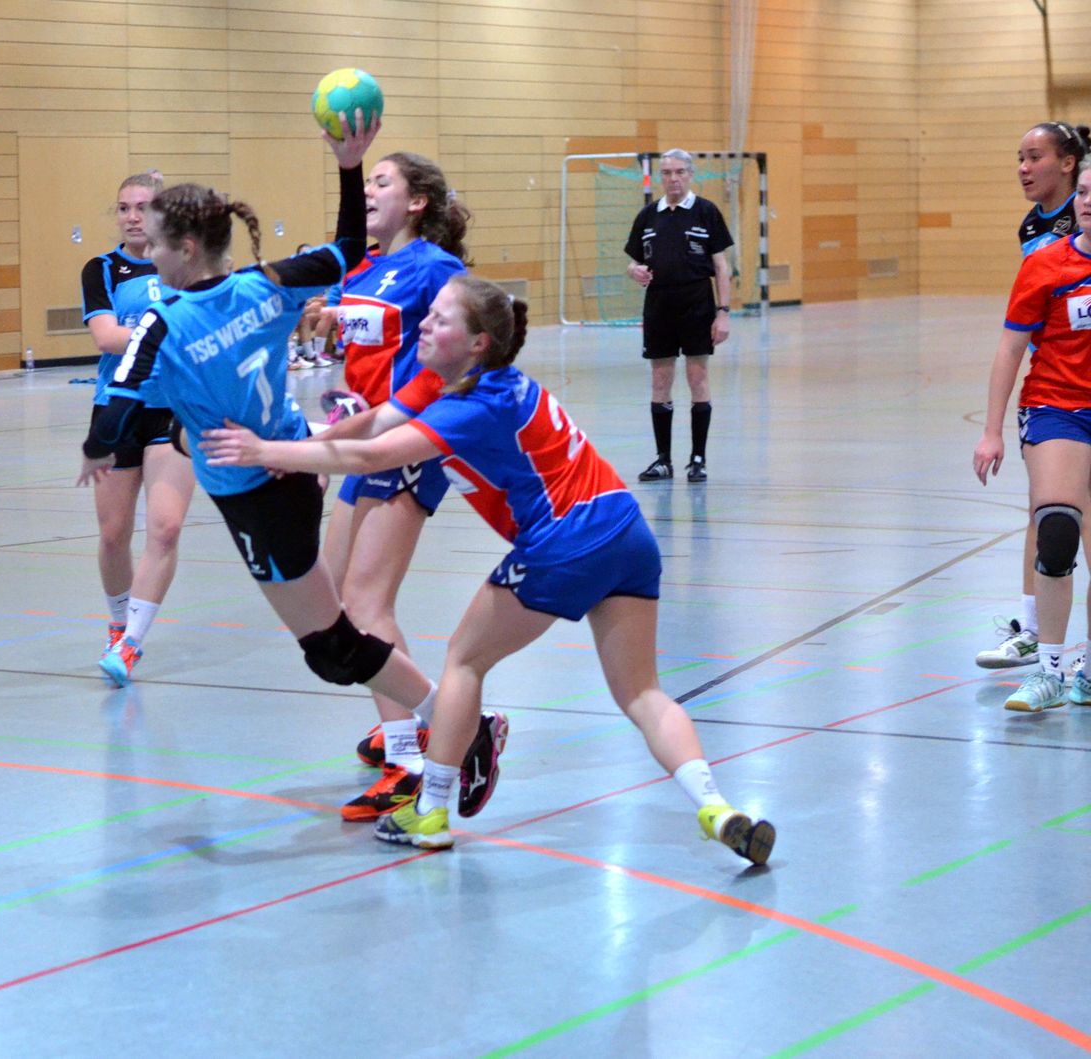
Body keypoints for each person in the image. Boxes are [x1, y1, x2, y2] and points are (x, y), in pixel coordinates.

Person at [202, 274, 775, 861]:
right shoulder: (452, 381)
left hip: (565, 541)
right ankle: (717, 808)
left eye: (441, 319)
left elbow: (371, 456)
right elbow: (372, 424)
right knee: (642, 692)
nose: (426, 325)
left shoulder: (473, 407)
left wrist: (263, 452)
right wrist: (299, 444)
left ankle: (430, 811)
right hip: (626, 532)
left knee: (464, 660)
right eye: (429, 315)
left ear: (477, 343)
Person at [81, 115, 502, 816]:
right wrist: (346, 172)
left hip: (307, 470)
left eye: (153, 243)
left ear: (186, 247)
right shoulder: (279, 283)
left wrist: (100, 446)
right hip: (313, 457)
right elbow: (342, 258)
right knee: (342, 618)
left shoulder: (169, 320)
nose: (144, 254)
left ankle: (449, 732)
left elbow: (117, 403)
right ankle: (416, 731)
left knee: (342, 635)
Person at [324, 149, 472, 823]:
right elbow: (357, 340)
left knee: (366, 602)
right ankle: (409, 719)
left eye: (382, 181)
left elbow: (469, 345)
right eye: (368, 182)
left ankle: (414, 758)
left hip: (404, 442)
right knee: (335, 596)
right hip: (363, 442)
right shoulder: (363, 267)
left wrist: (421, 415)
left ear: (416, 201)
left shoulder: (433, 267)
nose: (369, 190)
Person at [975, 160, 1091, 713]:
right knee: (1058, 529)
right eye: (1084, 192)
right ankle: (1048, 670)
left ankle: (1088, 670)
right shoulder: (1046, 264)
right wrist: (991, 431)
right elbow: (1009, 349)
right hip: (1057, 407)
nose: (1088, 202)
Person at [80, 170, 195, 686]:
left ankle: (131, 642)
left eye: (143, 207)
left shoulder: (185, 263)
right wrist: (167, 333)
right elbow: (106, 338)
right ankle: (116, 621)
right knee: (113, 536)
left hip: (174, 408)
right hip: (118, 406)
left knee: (166, 527)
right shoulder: (102, 269)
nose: (132, 217)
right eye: (124, 208)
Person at [625, 149, 733, 483]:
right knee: (660, 380)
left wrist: (723, 313)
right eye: (667, 173)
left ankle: (698, 459)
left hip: (696, 302)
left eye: (680, 172)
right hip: (659, 304)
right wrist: (634, 270)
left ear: (690, 174)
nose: (673, 179)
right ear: (660, 177)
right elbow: (633, 261)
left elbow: (721, 266)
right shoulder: (648, 216)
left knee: (697, 377)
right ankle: (663, 460)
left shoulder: (706, 211)